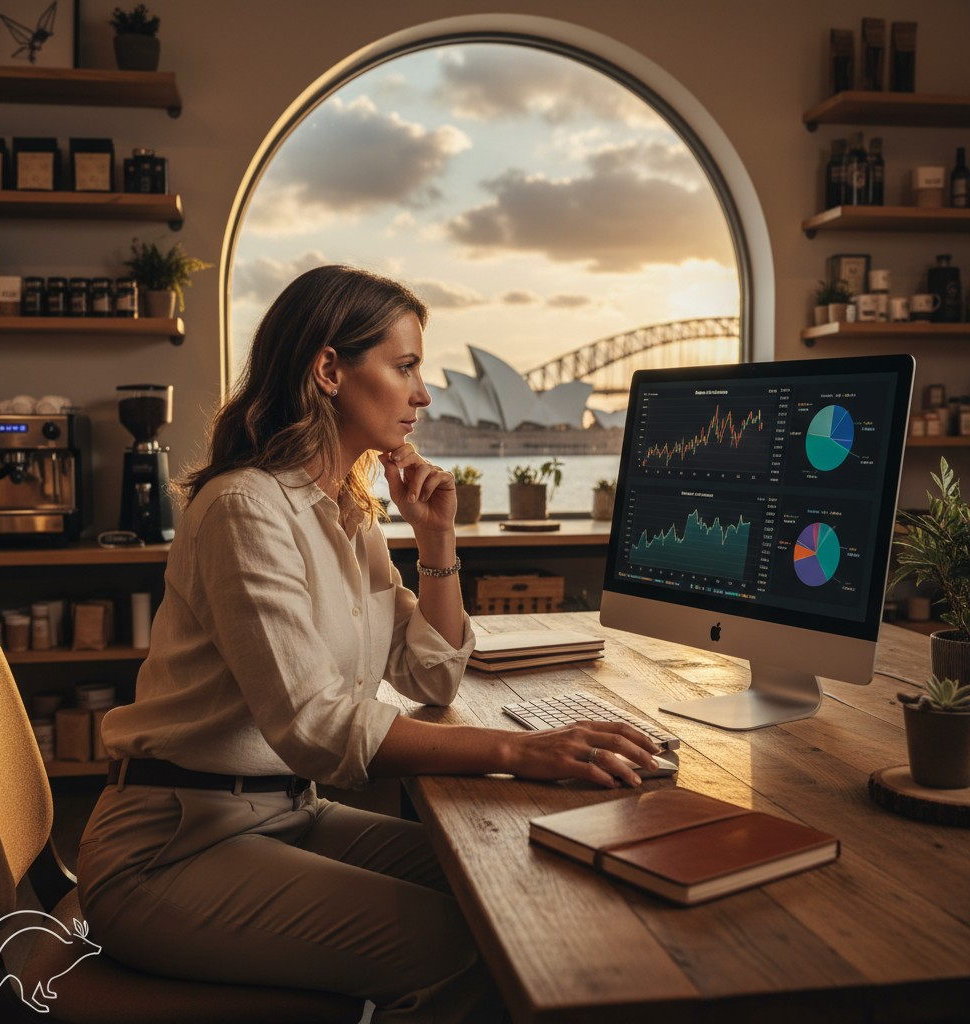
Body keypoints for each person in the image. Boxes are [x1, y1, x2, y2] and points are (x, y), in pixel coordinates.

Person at [77, 264, 664, 1022]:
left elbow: (433, 675)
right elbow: (318, 728)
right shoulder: (245, 510)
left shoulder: (347, 513)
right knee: (463, 948)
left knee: (509, 886)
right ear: (329, 369)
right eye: (406, 366)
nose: (424, 393)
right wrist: (518, 749)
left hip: (286, 815)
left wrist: (438, 540)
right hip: (172, 847)